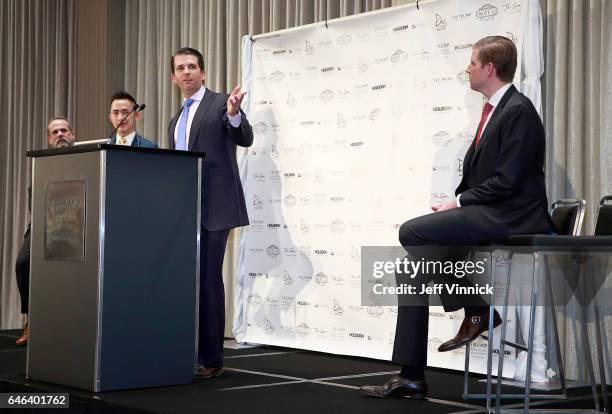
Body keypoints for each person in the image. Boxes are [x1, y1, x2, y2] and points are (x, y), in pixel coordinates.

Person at [360, 36, 555, 398]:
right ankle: (412, 376)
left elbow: (509, 180)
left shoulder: (518, 111)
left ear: (490, 69)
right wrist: (460, 204)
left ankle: (478, 308)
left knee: (411, 232)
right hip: (490, 210)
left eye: (472, 63)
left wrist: (459, 202)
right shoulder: (497, 109)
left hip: (513, 216)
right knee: (411, 271)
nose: (467, 69)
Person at [168, 47, 253, 378]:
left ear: (202, 73)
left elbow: (244, 137)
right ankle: (189, 349)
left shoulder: (220, 103)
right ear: (174, 78)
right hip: (186, 212)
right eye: (181, 68)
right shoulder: (176, 120)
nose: (187, 72)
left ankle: (212, 358)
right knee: (189, 281)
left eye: (192, 66)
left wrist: (234, 113)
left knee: (207, 280)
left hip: (216, 207)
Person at [15, 117, 76, 345]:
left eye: (64, 130)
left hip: (77, 225)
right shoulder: (40, 163)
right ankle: (32, 320)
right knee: (23, 263)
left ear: (72, 134)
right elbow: (35, 204)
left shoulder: (86, 159)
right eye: (55, 132)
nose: (60, 134)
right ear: (49, 139)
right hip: (44, 224)